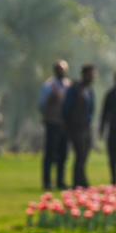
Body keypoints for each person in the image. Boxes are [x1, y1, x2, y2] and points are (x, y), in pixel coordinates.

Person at [62, 64, 96, 188]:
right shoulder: (75, 88)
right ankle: (79, 182)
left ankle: (81, 180)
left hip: (86, 126)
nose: (93, 77)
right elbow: (66, 107)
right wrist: (68, 124)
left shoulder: (89, 90)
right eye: (91, 74)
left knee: (85, 154)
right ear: (85, 74)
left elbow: (91, 109)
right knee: (80, 154)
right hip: (76, 126)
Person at [37, 60, 70, 189]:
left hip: (65, 125)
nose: (61, 72)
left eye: (63, 69)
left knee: (63, 153)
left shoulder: (68, 85)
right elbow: (42, 105)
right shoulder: (48, 86)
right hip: (52, 123)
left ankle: (60, 181)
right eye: (58, 69)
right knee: (50, 153)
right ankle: (47, 182)